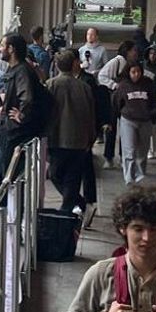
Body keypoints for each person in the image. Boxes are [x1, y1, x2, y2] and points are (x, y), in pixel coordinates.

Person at [0, 33, 44, 188]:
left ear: (11, 49)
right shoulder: (17, 69)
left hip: (15, 133)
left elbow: (27, 98)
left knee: (1, 175)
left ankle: (5, 203)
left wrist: (22, 115)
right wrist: (5, 107)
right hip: (10, 130)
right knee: (0, 173)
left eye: (2, 46)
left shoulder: (21, 71)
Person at [47, 49, 97, 221]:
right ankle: (74, 206)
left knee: (56, 174)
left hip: (57, 139)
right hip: (79, 140)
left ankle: (68, 210)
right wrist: (91, 137)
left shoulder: (51, 85)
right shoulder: (84, 87)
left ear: (57, 65)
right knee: (72, 178)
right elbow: (91, 115)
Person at [112, 60, 156, 185]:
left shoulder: (148, 84)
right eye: (133, 72)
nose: (136, 74)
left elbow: (154, 100)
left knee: (143, 150)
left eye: (138, 71)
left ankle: (140, 174)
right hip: (128, 120)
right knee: (129, 150)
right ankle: (129, 177)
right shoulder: (123, 86)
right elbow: (116, 102)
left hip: (145, 120)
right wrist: (119, 114)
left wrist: (153, 114)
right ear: (128, 72)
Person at [97, 41, 138, 169]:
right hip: (114, 100)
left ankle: (123, 156)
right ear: (127, 51)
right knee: (112, 128)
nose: (135, 53)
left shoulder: (132, 64)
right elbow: (102, 76)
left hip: (125, 100)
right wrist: (115, 85)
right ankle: (109, 157)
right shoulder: (117, 62)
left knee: (125, 129)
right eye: (133, 50)